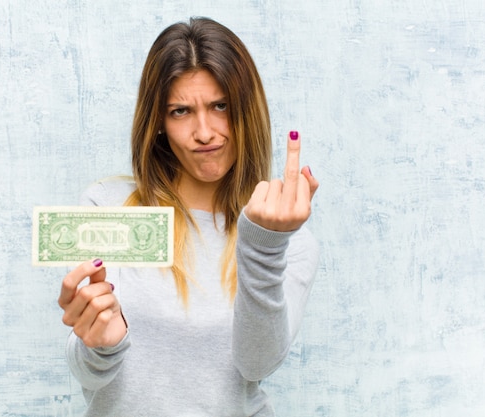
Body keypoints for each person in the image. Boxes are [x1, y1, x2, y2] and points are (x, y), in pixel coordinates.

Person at [58, 16, 319, 416]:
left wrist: (263, 246)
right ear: (159, 123)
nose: (204, 132)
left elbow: (258, 364)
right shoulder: (107, 208)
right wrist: (102, 345)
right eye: (180, 111)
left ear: (247, 111)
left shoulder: (286, 239)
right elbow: (88, 375)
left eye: (221, 106)